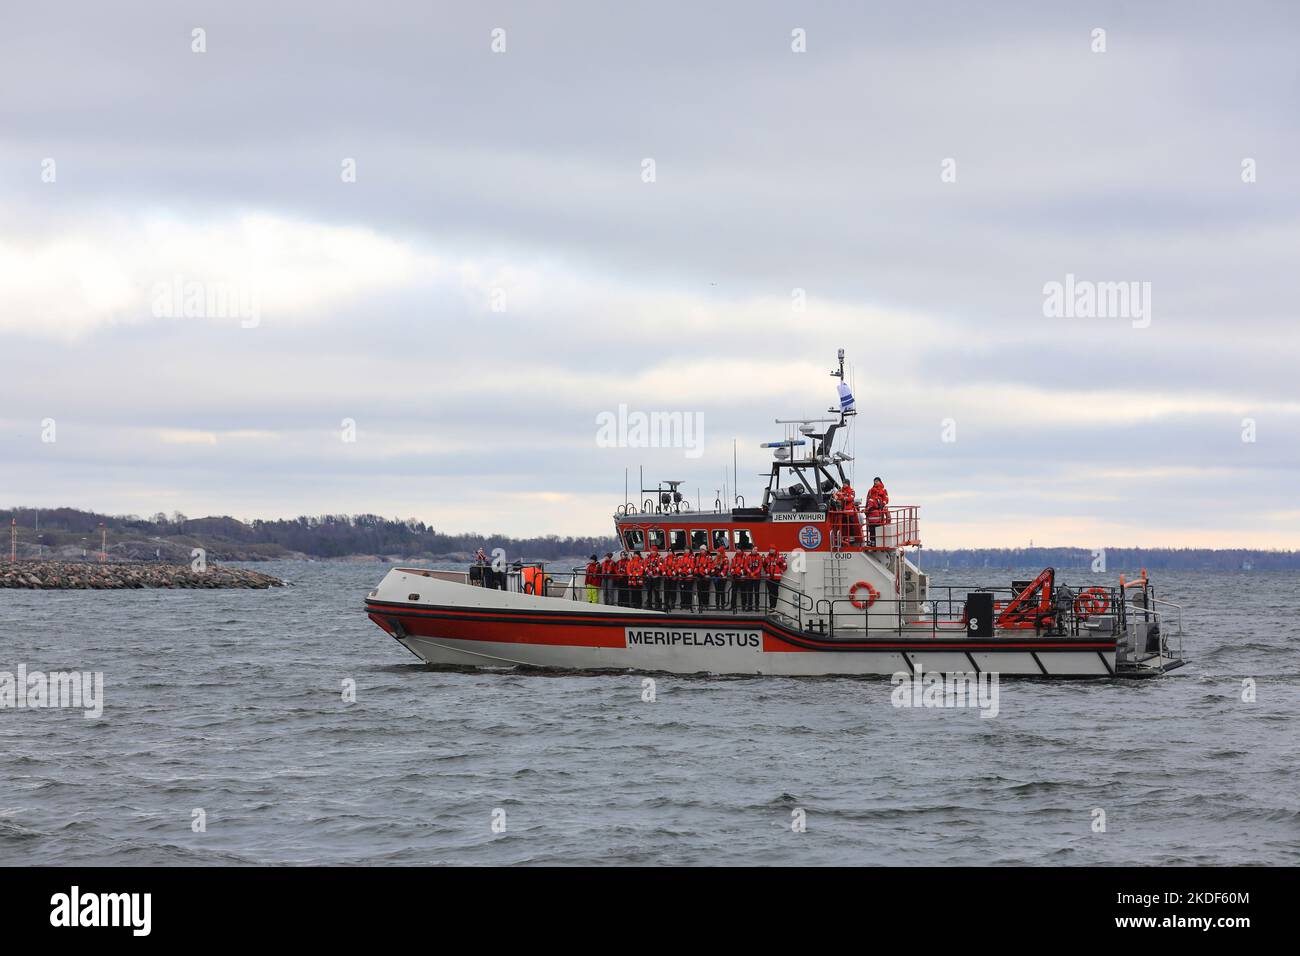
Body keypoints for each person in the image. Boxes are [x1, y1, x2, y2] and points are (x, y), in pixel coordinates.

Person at [865, 477, 889, 547]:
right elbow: (867, 500)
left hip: (880, 511)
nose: (875, 482)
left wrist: (881, 505)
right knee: (871, 526)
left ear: (880, 482)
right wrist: (866, 509)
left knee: (879, 526)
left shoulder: (883, 490)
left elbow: (886, 499)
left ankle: (878, 540)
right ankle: (872, 540)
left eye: (877, 481)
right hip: (872, 512)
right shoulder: (870, 490)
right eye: (874, 481)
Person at [693, 545, 712, 611]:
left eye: (703, 549)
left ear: (705, 550)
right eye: (701, 550)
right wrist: (696, 573)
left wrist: (704, 573)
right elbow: (696, 566)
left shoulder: (709, 557)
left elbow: (709, 567)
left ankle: (706, 605)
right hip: (699, 577)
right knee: (700, 592)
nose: (701, 551)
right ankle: (700, 605)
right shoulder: (698, 557)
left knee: (706, 591)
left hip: (705, 577)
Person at [729, 547, 748, 611]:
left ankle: (744, 607)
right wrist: (733, 573)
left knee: (743, 593)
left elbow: (745, 567)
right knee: (733, 593)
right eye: (737, 549)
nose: (737, 550)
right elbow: (731, 567)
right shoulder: (734, 558)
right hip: (735, 578)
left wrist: (739, 573)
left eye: (739, 549)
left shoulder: (745, 558)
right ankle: (733, 606)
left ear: (741, 550)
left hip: (742, 578)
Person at [710, 546, 729, 611]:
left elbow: (725, 568)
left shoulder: (725, 559)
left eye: (718, 551)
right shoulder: (715, 559)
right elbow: (712, 566)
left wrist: (720, 575)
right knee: (717, 592)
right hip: (716, 577)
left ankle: (722, 605)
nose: (717, 553)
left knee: (722, 592)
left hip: (722, 578)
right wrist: (713, 574)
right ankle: (717, 605)